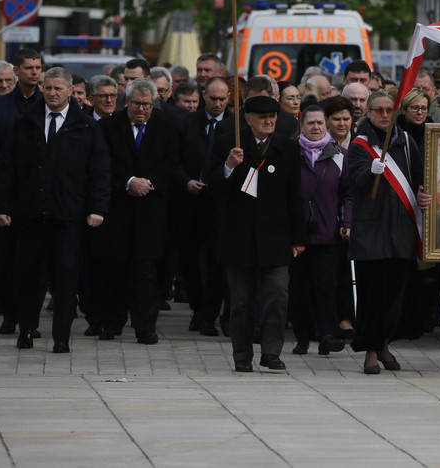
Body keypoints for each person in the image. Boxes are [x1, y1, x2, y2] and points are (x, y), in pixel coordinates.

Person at [0, 67, 110, 353]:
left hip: (68, 215)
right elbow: (6, 169)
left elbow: (99, 172)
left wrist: (97, 208)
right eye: (48, 88)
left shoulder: (85, 126)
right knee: (29, 275)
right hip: (31, 213)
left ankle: (61, 336)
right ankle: (27, 328)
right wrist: (2, 207)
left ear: (71, 91)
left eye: (58, 88)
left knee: (66, 276)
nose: (52, 93)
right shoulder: (26, 123)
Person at [207, 95, 306, 373]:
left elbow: (294, 196)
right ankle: (242, 355)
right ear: (247, 118)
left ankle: (272, 352)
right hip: (239, 238)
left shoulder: (286, 148)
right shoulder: (229, 143)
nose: (269, 121)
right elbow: (214, 190)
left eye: (273, 116)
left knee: (277, 294)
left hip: (276, 237)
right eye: (262, 116)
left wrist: (298, 238)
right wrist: (228, 166)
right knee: (241, 301)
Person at [345, 92, 428, 374]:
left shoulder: (404, 142)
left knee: (395, 297)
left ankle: (384, 344)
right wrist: (370, 171)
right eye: (377, 110)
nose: (383, 115)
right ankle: (370, 350)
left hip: (402, 230)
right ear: (367, 112)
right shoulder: (360, 145)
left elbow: (419, 178)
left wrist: (424, 194)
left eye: (388, 110)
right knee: (372, 296)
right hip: (372, 232)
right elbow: (353, 183)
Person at [95, 78, 180, 344]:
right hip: (119, 210)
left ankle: (145, 327)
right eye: (136, 103)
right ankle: (111, 323)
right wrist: (129, 181)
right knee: (115, 270)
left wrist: (148, 182)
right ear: (126, 101)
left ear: (154, 103)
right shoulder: (108, 127)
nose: (141, 109)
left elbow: (172, 162)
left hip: (152, 212)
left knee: (147, 272)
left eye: (146, 104)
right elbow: (102, 162)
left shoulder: (166, 128)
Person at [0, 49, 44, 334]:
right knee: (6, 261)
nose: (35, 72)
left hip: (39, 194)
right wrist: (1, 204)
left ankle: (30, 321)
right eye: (29, 67)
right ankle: (10, 315)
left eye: (38, 67)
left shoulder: (47, 103)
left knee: (34, 264)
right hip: (8, 193)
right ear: (16, 71)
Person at [290, 104, 353, 357]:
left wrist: (346, 222)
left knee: (326, 286)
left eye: (319, 123)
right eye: (310, 123)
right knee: (299, 288)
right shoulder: (289, 153)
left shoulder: (341, 155)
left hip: (328, 233)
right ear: (301, 125)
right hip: (297, 234)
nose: (316, 127)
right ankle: (302, 337)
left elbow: (349, 194)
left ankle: (327, 335)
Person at [176, 77, 230, 337]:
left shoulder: (234, 128)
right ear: (203, 97)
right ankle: (197, 309)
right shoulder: (186, 123)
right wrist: (185, 181)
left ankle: (210, 315)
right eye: (213, 98)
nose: (217, 103)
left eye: (222, 99)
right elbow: (172, 160)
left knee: (217, 261)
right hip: (188, 203)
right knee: (188, 260)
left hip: (220, 205)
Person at [396, 89, 431, 155]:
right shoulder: (395, 134)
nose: (419, 112)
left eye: (424, 108)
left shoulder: (433, 134)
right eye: (415, 108)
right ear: (404, 110)